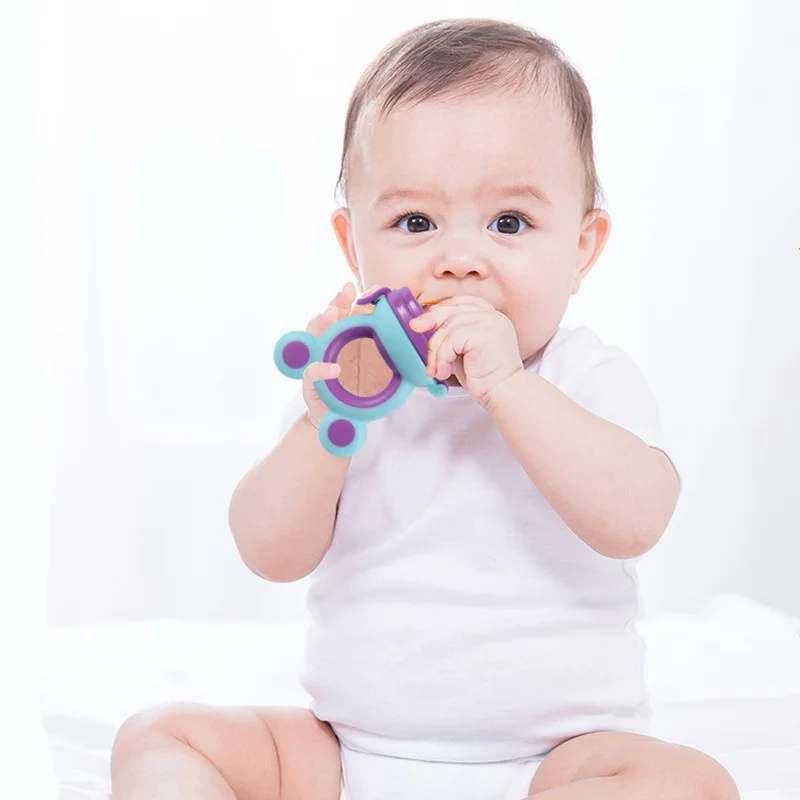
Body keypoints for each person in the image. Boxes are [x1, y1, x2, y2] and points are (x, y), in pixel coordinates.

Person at [110, 17, 740, 800]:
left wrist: (509, 387)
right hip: (350, 754)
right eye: (415, 223)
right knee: (161, 733)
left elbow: (636, 519)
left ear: (581, 249)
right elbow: (268, 551)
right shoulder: (352, 389)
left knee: (690, 783)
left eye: (509, 223)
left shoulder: (586, 376)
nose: (459, 259)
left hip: (556, 760)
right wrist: (322, 424)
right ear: (354, 246)